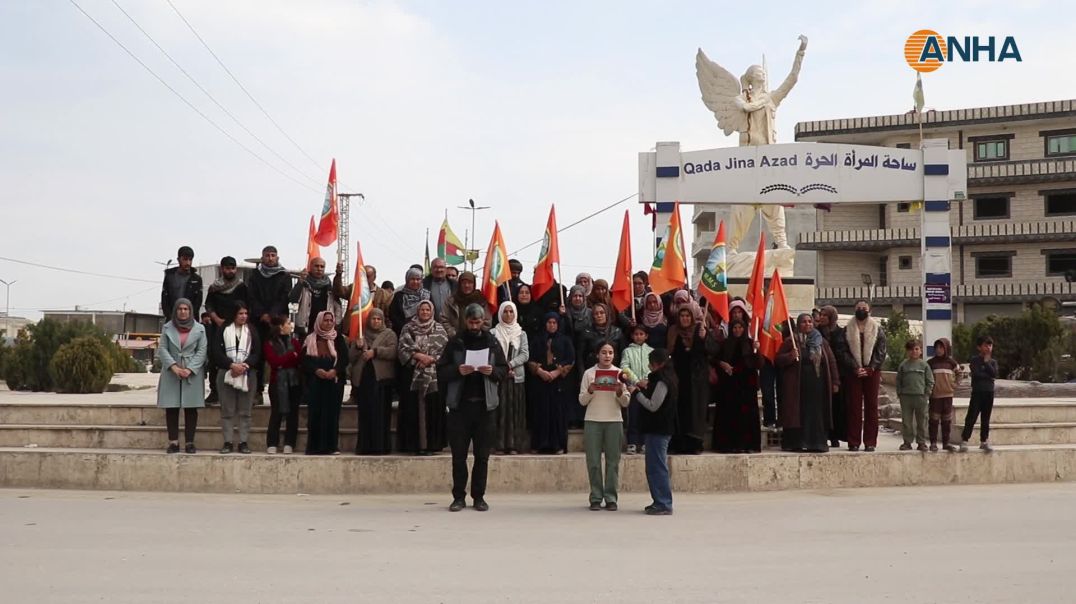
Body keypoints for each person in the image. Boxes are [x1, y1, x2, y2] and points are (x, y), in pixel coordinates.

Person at [437, 303, 509, 512]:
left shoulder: (492, 341)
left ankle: (479, 497)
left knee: (482, 456)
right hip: (460, 407)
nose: (474, 325)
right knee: (458, 456)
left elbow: (504, 370)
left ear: (483, 321)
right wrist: (458, 370)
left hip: (485, 407)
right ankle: (458, 497)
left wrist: (492, 371)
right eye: (471, 321)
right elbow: (441, 371)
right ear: (465, 321)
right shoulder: (456, 342)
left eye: (478, 322)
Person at [776, 313, 839, 453]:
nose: (808, 324)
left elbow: (832, 361)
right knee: (798, 413)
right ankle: (796, 442)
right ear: (798, 325)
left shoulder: (821, 341)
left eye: (810, 321)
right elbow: (778, 360)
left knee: (816, 413)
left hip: (817, 384)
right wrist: (790, 356)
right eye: (804, 322)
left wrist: (835, 382)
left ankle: (816, 443)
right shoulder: (791, 341)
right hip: (797, 385)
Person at [579, 341, 630, 511]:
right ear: (597, 354)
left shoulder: (619, 374)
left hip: (614, 421)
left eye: (610, 353)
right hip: (593, 420)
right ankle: (595, 497)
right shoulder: (589, 374)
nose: (607, 356)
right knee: (593, 461)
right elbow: (582, 400)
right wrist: (591, 390)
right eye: (603, 352)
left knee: (613, 462)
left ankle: (611, 498)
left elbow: (626, 402)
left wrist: (620, 392)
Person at [397, 300, 449, 455]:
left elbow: (445, 351)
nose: (425, 312)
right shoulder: (408, 328)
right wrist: (418, 356)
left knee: (432, 410)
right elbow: (402, 348)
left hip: (433, 376)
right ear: (417, 311)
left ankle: (431, 445)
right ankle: (413, 445)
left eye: (428, 310)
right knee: (412, 410)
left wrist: (430, 359)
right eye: (422, 310)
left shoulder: (439, 328)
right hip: (412, 374)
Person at [156, 298, 207, 454]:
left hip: (192, 373)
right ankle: (173, 442)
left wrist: (190, 369)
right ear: (175, 311)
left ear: (191, 311)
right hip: (171, 372)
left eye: (186, 309)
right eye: (180, 309)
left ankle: (190, 442)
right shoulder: (167, 327)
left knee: (191, 408)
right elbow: (162, 349)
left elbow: (202, 351)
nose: (183, 312)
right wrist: (174, 367)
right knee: (171, 408)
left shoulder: (200, 329)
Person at [211, 302, 261, 454]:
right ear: (234, 314)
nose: (243, 316)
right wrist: (231, 365)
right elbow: (216, 352)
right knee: (227, 410)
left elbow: (257, 352)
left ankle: (243, 442)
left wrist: (244, 365)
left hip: (247, 374)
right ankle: (228, 442)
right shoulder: (223, 329)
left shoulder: (251, 330)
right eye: (240, 313)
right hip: (227, 373)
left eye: (246, 313)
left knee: (245, 411)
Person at [632, 348, 678, 515]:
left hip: (659, 429)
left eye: (651, 364)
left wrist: (636, 393)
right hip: (656, 429)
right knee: (653, 466)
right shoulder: (662, 379)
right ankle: (659, 500)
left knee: (657, 466)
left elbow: (653, 405)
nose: (650, 367)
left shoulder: (662, 381)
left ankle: (664, 503)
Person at [349, 308, 397, 455]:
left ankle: (380, 446)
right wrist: (357, 347)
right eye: (373, 319)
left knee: (381, 414)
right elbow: (351, 357)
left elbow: (393, 352)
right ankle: (364, 446)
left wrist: (375, 352)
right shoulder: (361, 335)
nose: (376, 322)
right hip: (365, 379)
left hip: (382, 381)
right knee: (365, 414)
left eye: (378, 319)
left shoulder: (389, 334)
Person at [666, 307, 713, 454]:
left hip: (697, 378)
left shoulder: (700, 329)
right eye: (682, 315)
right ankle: (679, 444)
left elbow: (712, 350)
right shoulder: (673, 331)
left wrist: (705, 337)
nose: (685, 318)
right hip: (679, 377)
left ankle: (695, 444)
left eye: (687, 316)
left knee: (696, 411)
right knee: (680, 410)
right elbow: (669, 352)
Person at [526, 313, 575, 454]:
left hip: (558, 383)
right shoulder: (536, 340)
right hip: (540, 383)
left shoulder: (565, 340)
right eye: (549, 322)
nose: (551, 325)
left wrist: (557, 372)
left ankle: (557, 445)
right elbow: (530, 358)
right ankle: (539, 444)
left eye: (554, 322)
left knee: (557, 414)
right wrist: (539, 371)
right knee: (541, 413)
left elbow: (570, 359)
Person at [203, 256, 249, 404]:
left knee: (236, 358)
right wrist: (216, 319)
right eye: (227, 268)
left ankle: (237, 391)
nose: (230, 271)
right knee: (215, 359)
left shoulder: (241, 287)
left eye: (233, 268)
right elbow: (209, 305)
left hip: (237, 328)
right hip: (218, 327)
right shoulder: (215, 287)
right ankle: (215, 392)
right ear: (222, 269)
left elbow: (245, 307)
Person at [302, 310, 349, 455]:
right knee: (316, 413)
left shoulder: (338, 338)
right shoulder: (310, 339)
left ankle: (331, 446)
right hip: (316, 382)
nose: (328, 323)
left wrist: (335, 371)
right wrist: (316, 371)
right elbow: (304, 361)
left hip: (334, 382)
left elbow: (344, 358)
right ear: (319, 321)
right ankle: (314, 447)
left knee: (332, 414)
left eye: (330, 320)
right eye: (325, 320)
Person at [248, 246, 292, 402]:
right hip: (258, 321)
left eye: (273, 255)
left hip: (277, 322)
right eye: (267, 255)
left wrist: (272, 315)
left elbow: (284, 298)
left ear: (277, 257)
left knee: (280, 356)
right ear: (262, 258)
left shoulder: (284, 275)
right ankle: (257, 392)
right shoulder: (254, 276)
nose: (270, 258)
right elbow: (252, 298)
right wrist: (262, 314)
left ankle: (281, 393)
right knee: (258, 356)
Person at [712, 320, 762, 453]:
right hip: (729, 385)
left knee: (747, 415)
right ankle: (729, 445)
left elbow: (758, 363)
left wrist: (758, 350)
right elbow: (715, 359)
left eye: (740, 327)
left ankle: (748, 445)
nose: (737, 330)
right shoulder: (725, 344)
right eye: (735, 327)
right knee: (730, 414)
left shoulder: (751, 344)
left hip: (747, 385)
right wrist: (723, 364)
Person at [844, 300, 887, 452]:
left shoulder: (878, 329)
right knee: (854, 407)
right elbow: (843, 352)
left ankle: (870, 442)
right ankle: (853, 441)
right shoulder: (847, 329)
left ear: (869, 310)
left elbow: (881, 352)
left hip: (872, 372)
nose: (861, 310)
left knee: (871, 407)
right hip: (853, 373)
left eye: (864, 308)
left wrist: (871, 368)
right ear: (854, 309)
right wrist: (855, 367)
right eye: (859, 308)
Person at [491, 301, 529, 454]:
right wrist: (502, 368)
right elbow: (491, 354)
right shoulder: (493, 333)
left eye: (511, 312)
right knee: (500, 411)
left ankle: (514, 445)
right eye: (505, 312)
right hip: (499, 378)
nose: (508, 315)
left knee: (514, 411)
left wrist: (510, 365)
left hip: (515, 377)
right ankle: (499, 445)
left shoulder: (521, 333)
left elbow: (525, 354)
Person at [263, 316, 301, 454]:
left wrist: (283, 362)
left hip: (293, 381)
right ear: (280, 326)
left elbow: (298, 360)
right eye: (287, 323)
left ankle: (290, 442)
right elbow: (274, 361)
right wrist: (290, 357)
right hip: (277, 382)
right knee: (276, 412)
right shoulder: (269, 344)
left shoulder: (295, 342)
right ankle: (272, 442)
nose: (290, 325)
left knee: (293, 413)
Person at [817, 305, 852, 446]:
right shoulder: (816, 332)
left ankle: (835, 436)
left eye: (825, 315)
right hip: (821, 374)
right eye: (821, 315)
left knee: (837, 406)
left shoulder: (841, 332)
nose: (822, 317)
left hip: (839, 374)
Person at [960, 335, 999, 453]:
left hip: (989, 392)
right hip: (977, 392)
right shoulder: (974, 360)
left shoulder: (993, 362)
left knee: (985, 418)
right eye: (985, 345)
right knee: (972, 416)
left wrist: (986, 364)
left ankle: (984, 440)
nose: (988, 347)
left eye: (990, 345)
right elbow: (976, 374)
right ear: (979, 347)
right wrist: (986, 374)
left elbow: (994, 374)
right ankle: (964, 440)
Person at [620, 324, 653, 455]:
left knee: (646, 415)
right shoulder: (627, 351)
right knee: (633, 415)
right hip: (633, 388)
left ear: (646, 336)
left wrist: (646, 380)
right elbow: (625, 367)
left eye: (641, 334)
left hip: (647, 388)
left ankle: (644, 442)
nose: (638, 336)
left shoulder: (651, 351)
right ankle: (632, 442)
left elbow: (654, 367)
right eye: (636, 334)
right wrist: (636, 381)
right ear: (632, 336)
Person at [290, 256, 342, 339]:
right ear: (310, 267)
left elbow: (338, 306)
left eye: (322, 266)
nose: (319, 269)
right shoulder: (304, 283)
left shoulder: (329, 285)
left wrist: (336, 324)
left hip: (325, 329)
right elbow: (293, 299)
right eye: (316, 266)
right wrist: (300, 283)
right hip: (306, 327)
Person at [896, 340, 934, 452]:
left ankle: (921, 442)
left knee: (922, 421)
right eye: (911, 349)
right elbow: (898, 380)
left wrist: (927, 394)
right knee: (907, 421)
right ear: (907, 351)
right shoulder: (903, 365)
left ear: (921, 351)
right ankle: (907, 442)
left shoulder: (924, 365)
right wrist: (900, 393)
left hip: (921, 397)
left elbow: (930, 381)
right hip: (906, 397)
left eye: (916, 349)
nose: (914, 351)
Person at [928, 337, 961, 452]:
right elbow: (926, 378)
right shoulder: (930, 363)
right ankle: (933, 443)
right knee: (933, 421)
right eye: (936, 347)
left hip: (948, 396)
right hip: (935, 396)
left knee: (946, 421)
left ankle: (946, 443)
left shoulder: (951, 363)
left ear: (946, 348)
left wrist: (955, 385)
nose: (938, 350)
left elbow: (959, 374)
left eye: (941, 347)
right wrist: (929, 390)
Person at [160, 246, 203, 319]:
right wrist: (170, 317)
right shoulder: (169, 277)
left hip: (191, 321)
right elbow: (164, 300)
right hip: (172, 319)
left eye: (190, 260)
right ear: (178, 259)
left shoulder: (197, 279)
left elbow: (198, 302)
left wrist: (190, 317)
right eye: (185, 259)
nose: (188, 263)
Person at [443, 271, 489, 338]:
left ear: (474, 284)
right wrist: (453, 334)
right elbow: (444, 319)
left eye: (470, 283)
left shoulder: (481, 300)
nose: (466, 285)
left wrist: (477, 333)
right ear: (459, 284)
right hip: (457, 339)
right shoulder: (451, 301)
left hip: (477, 339)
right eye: (464, 283)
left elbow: (487, 321)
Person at [579, 302, 623, 369]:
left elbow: (622, 355)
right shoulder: (586, 332)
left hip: (613, 370)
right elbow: (580, 357)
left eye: (602, 313)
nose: (599, 315)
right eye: (596, 313)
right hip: (592, 370)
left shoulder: (617, 331)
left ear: (607, 314)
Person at [389, 267, 431, 336]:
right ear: (407, 280)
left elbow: (432, 313)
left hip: (425, 332)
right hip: (404, 333)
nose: (415, 282)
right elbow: (393, 315)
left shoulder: (427, 295)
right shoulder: (399, 296)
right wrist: (407, 328)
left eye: (418, 279)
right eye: (412, 279)